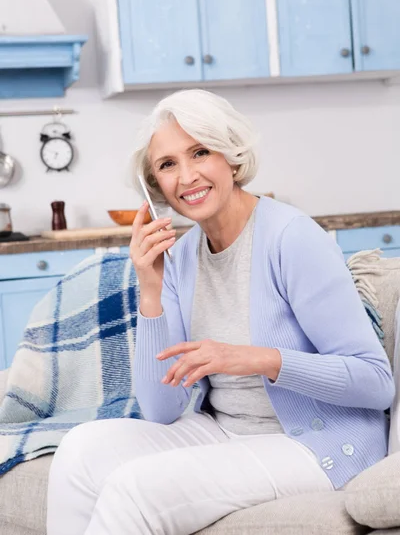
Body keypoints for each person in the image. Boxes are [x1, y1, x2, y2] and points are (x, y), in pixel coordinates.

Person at [47, 89, 395, 535]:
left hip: (314, 439)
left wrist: (256, 358)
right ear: (155, 188)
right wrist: (150, 287)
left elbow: (376, 383)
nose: (186, 175)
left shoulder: (292, 238)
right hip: (226, 429)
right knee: (80, 451)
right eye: (167, 164)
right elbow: (160, 408)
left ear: (231, 157)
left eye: (200, 152)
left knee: (137, 488)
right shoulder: (182, 257)